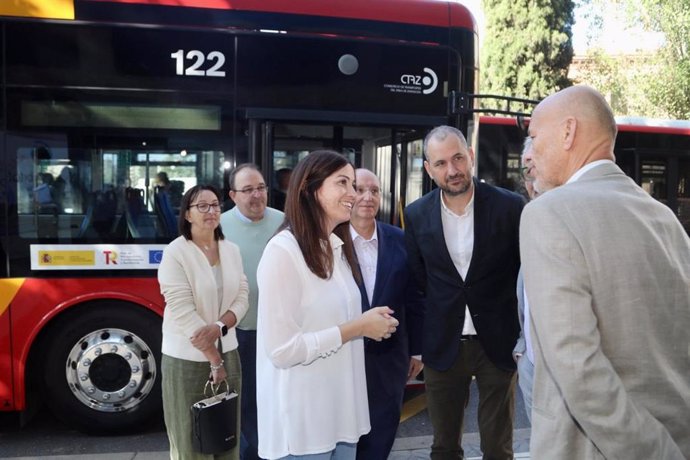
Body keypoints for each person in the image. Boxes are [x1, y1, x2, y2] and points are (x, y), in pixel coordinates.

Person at [520, 85, 690, 459]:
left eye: (533, 137)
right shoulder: (664, 217)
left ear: (568, 132)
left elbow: (578, 369)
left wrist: (656, 452)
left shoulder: (547, 213)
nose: (529, 155)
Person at [256, 151, 399, 460]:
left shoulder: (335, 247)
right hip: (303, 429)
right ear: (311, 189)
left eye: (355, 184)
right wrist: (358, 327)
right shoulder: (283, 251)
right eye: (343, 183)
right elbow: (282, 351)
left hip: (341, 420)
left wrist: (368, 322)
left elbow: (328, 319)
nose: (354, 194)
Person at [404, 125, 523, 460]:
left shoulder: (511, 207)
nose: (452, 170)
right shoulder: (415, 215)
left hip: (497, 342)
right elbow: (418, 284)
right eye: (440, 163)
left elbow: (523, 276)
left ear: (470, 157)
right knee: (443, 447)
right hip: (443, 343)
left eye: (457, 158)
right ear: (428, 169)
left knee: (497, 447)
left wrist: (524, 336)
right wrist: (418, 344)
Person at [157, 184, 249, 460]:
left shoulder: (231, 249)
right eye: (202, 206)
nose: (211, 211)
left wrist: (220, 328)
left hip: (229, 352)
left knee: (226, 439)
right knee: (190, 443)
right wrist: (214, 360)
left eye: (215, 205)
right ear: (187, 214)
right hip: (187, 360)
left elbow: (242, 297)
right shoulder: (176, 252)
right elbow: (183, 311)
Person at [349, 168, 425, 460]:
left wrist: (417, 351)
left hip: (390, 359)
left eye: (375, 191)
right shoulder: (329, 243)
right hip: (344, 356)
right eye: (359, 189)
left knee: (381, 438)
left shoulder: (401, 240)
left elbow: (416, 299)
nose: (368, 197)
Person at [220, 164, 284, 460]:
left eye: (260, 187)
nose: (256, 195)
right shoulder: (218, 227)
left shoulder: (285, 222)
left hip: (281, 332)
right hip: (241, 333)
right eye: (247, 190)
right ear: (233, 195)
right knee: (245, 405)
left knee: (277, 401)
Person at [511, 137, 539, 423]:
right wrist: (523, 349)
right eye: (526, 169)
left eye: (535, 167)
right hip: (531, 365)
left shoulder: (569, 217)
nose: (530, 178)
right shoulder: (529, 218)